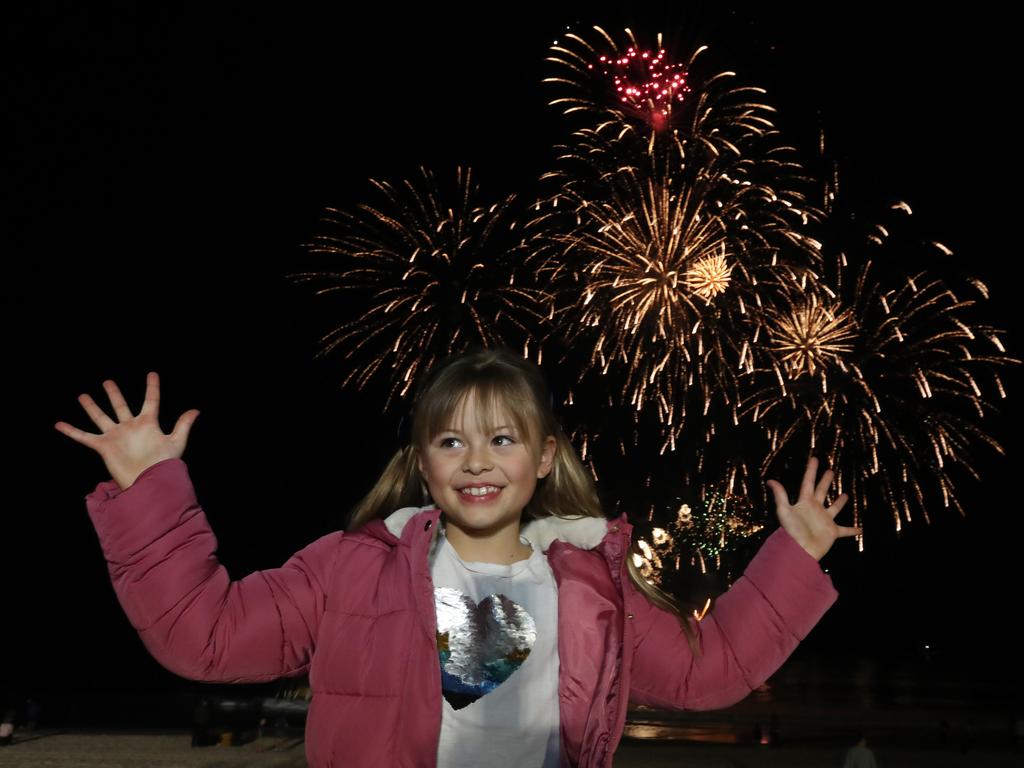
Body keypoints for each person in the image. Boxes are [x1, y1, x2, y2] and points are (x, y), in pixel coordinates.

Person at [55, 348, 858, 767]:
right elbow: (207, 638)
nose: (477, 460)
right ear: (423, 463)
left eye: (501, 438)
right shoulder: (348, 568)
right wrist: (148, 488)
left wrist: (796, 554)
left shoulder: (590, 586)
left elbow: (705, 670)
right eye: (451, 440)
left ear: (544, 457)